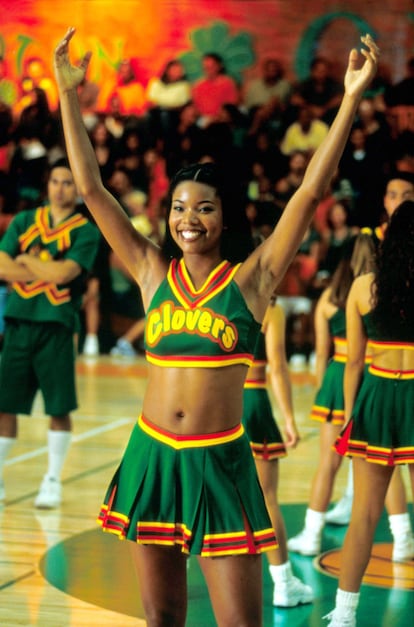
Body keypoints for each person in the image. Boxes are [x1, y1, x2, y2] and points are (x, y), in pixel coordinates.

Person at [54, 27, 378, 626]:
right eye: (179, 208)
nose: (189, 219)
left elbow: (309, 193)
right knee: (162, 618)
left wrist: (351, 98)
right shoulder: (151, 270)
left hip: (221, 460)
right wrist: (69, 94)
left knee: (240, 623)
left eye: (204, 208)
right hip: (152, 455)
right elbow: (94, 191)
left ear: (225, 217)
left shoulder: (251, 280)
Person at [324, 200, 414, 627]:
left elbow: (353, 363)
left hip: (376, 397)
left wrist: (348, 414)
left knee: (363, 512)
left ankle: (344, 614)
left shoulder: (362, 287)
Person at [0, 158, 100, 507]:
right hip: (18, 323)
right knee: (5, 405)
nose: (60, 189)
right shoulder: (25, 220)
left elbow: (65, 274)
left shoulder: (86, 230)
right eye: (56, 181)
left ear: (78, 188)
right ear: (47, 184)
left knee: (59, 407)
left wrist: (27, 261)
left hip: (57, 326)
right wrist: (46, 269)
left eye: (68, 183)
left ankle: (53, 480)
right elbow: (2, 265)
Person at [242, 293, 313, 606]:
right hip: (252, 402)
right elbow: (277, 368)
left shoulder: (215, 297)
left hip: (213, 404)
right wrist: (289, 420)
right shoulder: (271, 310)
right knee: (267, 497)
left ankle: (181, 568)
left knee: (206, 493)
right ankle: (284, 584)